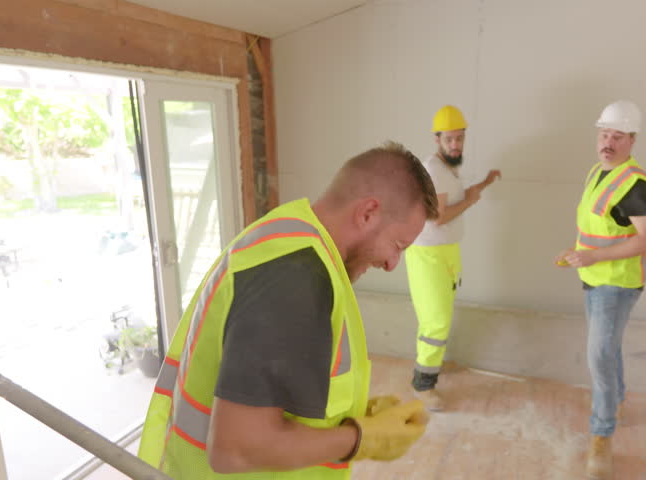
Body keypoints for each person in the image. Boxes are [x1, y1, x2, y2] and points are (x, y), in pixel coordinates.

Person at [137, 142, 438, 479]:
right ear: (368, 213)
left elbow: (270, 390)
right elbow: (235, 450)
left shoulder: (292, 236)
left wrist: (357, 413)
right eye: (397, 246)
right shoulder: (295, 275)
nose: (392, 264)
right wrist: (361, 438)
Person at [555, 100, 646, 479]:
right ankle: (615, 402)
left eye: (618, 136)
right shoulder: (598, 172)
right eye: (604, 133)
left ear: (632, 140)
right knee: (608, 348)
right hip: (595, 277)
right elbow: (599, 227)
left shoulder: (634, 185)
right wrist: (580, 254)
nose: (608, 141)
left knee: (599, 354)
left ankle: (602, 433)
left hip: (616, 283)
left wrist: (595, 259)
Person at [405, 105, 501, 411]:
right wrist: (472, 201)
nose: (456, 145)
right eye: (450, 139)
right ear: (437, 139)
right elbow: (438, 216)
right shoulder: (434, 170)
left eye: (459, 139)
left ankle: (428, 371)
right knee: (435, 321)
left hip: (444, 254)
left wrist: (483, 184)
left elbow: (457, 198)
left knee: (438, 317)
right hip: (429, 255)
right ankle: (423, 385)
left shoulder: (447, 170)